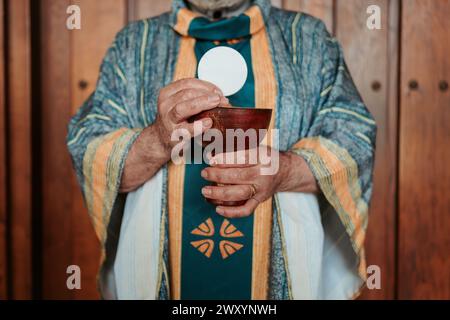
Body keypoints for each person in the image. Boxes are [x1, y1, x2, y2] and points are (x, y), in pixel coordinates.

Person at [67, 0, 377, 300]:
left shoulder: (307, 39)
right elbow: (90, 150)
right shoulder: (135, 45)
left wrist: (282, 171)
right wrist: (159, 139)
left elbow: (355, 139)